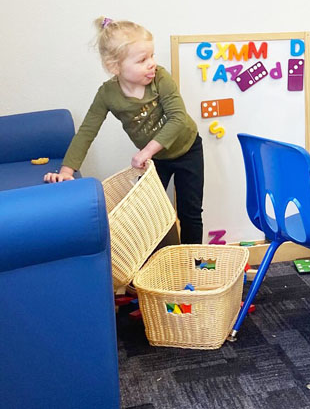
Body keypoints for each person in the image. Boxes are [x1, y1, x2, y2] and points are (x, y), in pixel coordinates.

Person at [44, 17, 204, 244]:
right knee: (148, 216)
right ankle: (158, 266)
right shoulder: (108, 94)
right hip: (156, 160)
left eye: (152, 55)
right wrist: (67, 171)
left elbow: (177, 119)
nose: (152, 63)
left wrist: (146, 151)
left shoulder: (160, 77)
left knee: (190, 213)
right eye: (142, 60)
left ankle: (194, 265)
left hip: (188, 149)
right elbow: (87, 132)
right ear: (115, 66)